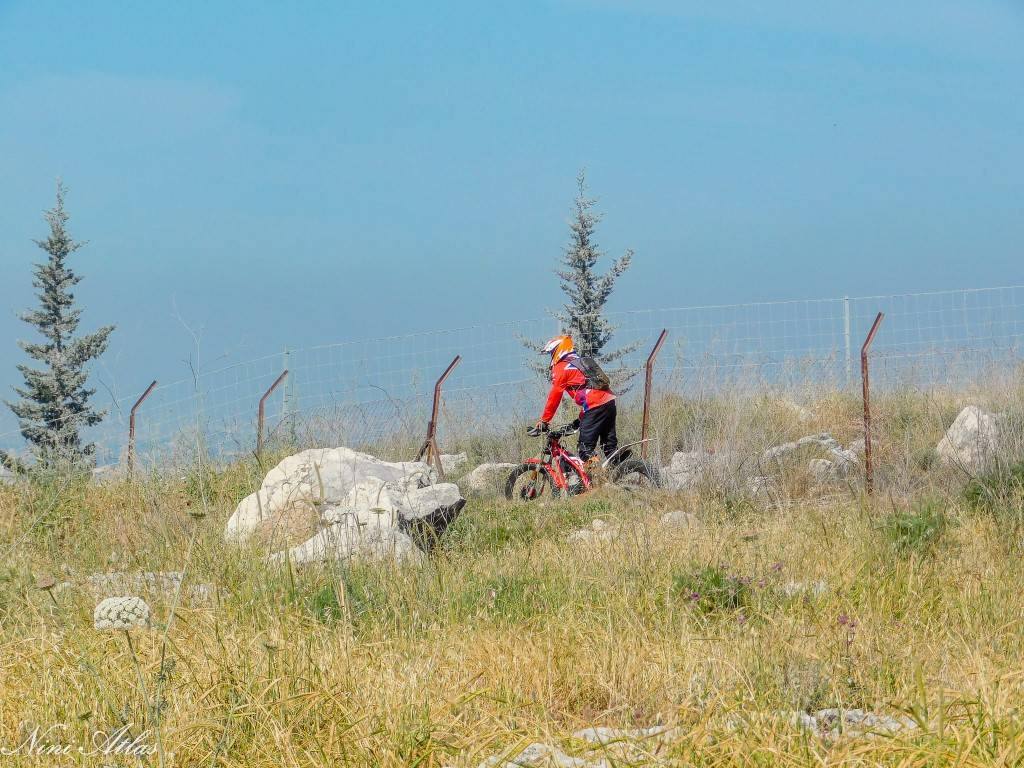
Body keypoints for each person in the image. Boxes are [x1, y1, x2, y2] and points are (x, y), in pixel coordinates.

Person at [533, 335, 618, 463]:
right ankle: (625, 471)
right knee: (609, 448)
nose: (551, 356)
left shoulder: (561, 367)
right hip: (609, 402)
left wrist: (544, 420)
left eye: (551, 352)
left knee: (585, 450)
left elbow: (555, 395)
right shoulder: (580, 361)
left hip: (594, 405)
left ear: (558, 350)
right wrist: (581, 418)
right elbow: (591, 390)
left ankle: (598, 481)